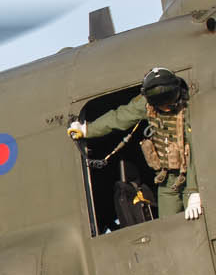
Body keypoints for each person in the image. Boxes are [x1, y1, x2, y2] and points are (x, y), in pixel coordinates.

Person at [67, 67, 202, 220]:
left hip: (189, 176)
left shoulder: (188, 108)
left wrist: (194, 191)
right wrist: (87, 130)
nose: (165, 105)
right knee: (168, 224)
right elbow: (120, 117)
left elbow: (194, 151)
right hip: (166, 181)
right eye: (159, 101)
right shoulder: (147, 104)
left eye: (169, 97)